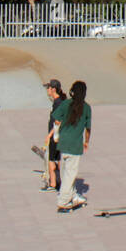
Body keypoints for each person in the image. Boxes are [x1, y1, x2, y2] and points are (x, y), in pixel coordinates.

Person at [50, 81, 91, 213]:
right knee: (70, 174)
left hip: (63, 143)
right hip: (75, 146)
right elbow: (88, 129)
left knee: (66, 172)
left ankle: (73, 196)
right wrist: (86, 142)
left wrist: (56, 134)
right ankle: (63, 202)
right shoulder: (86, 107)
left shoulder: (66, 103)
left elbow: (56, 119)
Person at [42, 79, 65, 191]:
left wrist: (49, 135)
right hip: (59, 135)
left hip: (55, 135)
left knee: (51, 159)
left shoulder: (57, 103)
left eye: (48, 88)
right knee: (59, 158)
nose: (47, 90)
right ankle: (62, 182)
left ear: (53, 89)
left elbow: (58, 120)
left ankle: (53, 183)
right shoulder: (60, 101)